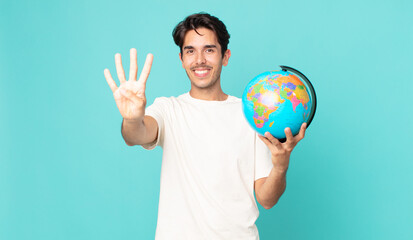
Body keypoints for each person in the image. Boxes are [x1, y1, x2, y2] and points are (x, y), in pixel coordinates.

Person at [104, 13, 307, 240]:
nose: (199, 59)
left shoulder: (250, 115)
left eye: (209, 49)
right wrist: (132, 118)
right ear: (181, 58)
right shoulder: (169, 109)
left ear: (225, 56)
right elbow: (136, 135)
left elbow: (267, 199)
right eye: (190, 51)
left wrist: (280, 167)